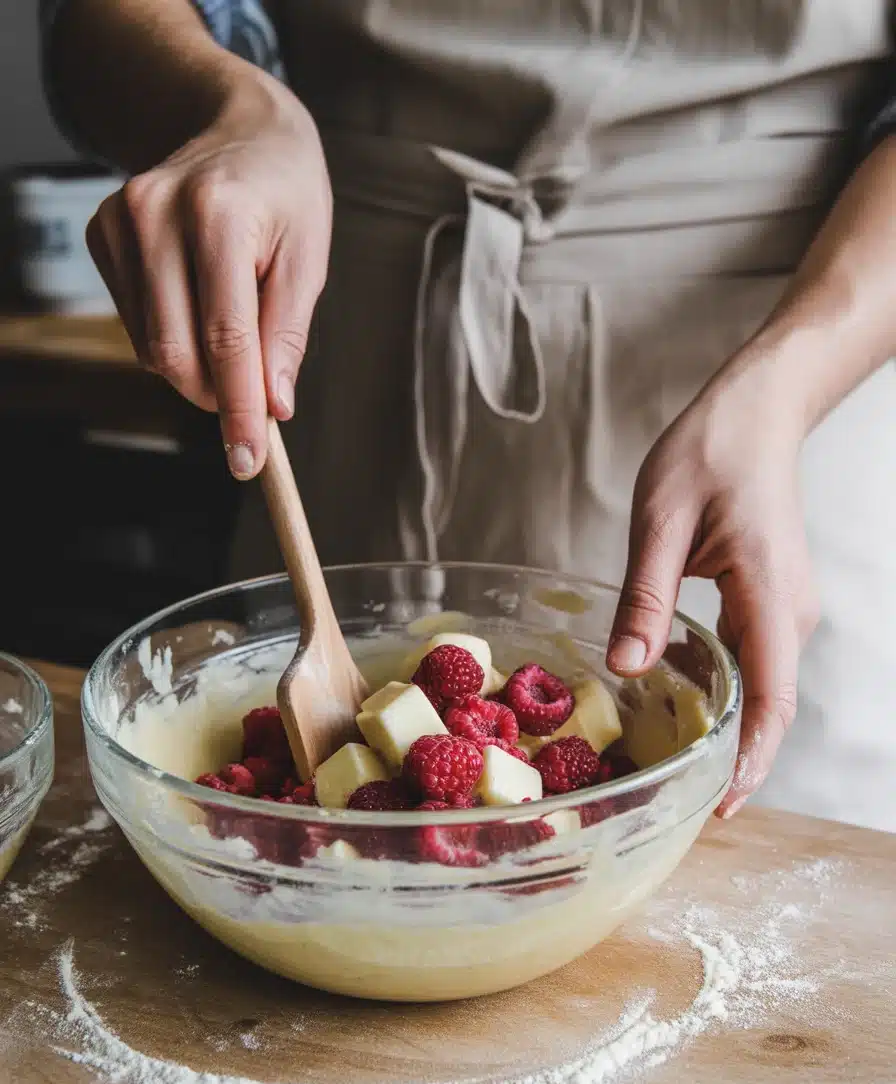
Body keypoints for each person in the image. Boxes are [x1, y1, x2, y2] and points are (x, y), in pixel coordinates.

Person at [39, 1, 896, 831]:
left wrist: (784, 389)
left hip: (780, 371)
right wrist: (225, 107)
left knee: (757, 859)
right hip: (353, 346)